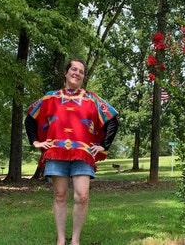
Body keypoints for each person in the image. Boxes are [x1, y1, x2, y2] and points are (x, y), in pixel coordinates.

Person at [25, 59, 118, 245]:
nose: (77, 73)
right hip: (56, 152)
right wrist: (35, 141)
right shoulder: (50, 98)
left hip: (83, 154)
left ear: (83, 76)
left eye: (81, 71)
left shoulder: (92, 99)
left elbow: (112, 120)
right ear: (66, 73)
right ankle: (61, 239)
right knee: (60, 196)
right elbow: (30, 118)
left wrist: (103, 145)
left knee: (82, 196)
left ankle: (75, 240)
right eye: (73, 69)